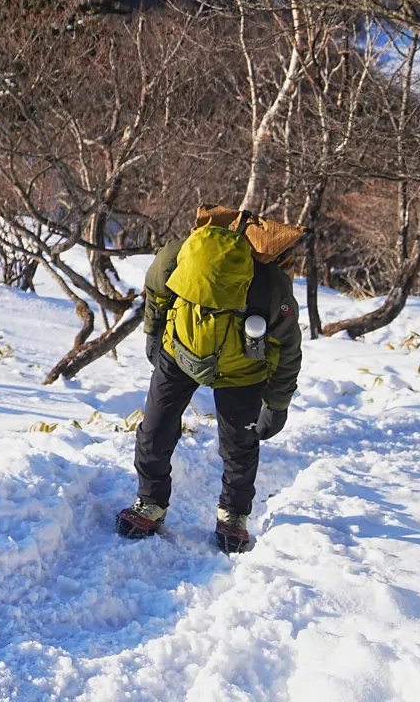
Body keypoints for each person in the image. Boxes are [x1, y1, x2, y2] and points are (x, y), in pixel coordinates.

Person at [115, 208, 304, 553]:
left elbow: (287, 349)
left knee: (238, 445)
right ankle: (150, 503)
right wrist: (154, 333)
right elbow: (156, 291)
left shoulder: (269, 287)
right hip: (180, 350)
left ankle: (233, 515)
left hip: (241, 369)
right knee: (154, 429)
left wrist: (276, 405)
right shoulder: (177, 255)